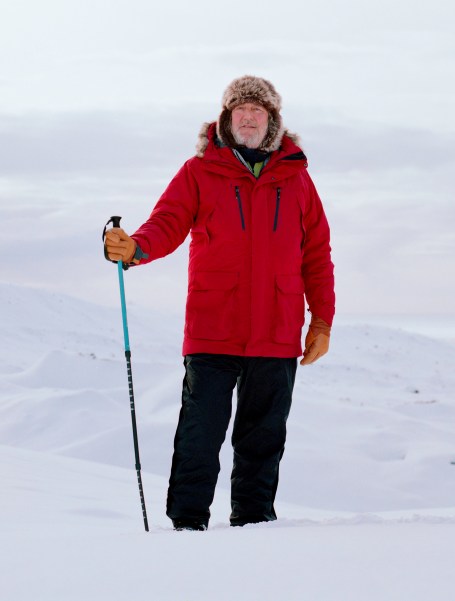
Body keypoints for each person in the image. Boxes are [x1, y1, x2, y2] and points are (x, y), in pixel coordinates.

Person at [103, 75, 335, 530]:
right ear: (226, 118)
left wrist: (321, 322)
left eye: (257, 110)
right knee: (199, 434)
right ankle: (186, 524)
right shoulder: (199, 171)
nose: (247, 118)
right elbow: (167, 223)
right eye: (239, 110)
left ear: (272, 120)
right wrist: (136, 248)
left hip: (276, 331)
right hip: (214, 329)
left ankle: (254, 525)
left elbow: (316, 253)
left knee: (262, 439)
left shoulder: (297, 179)